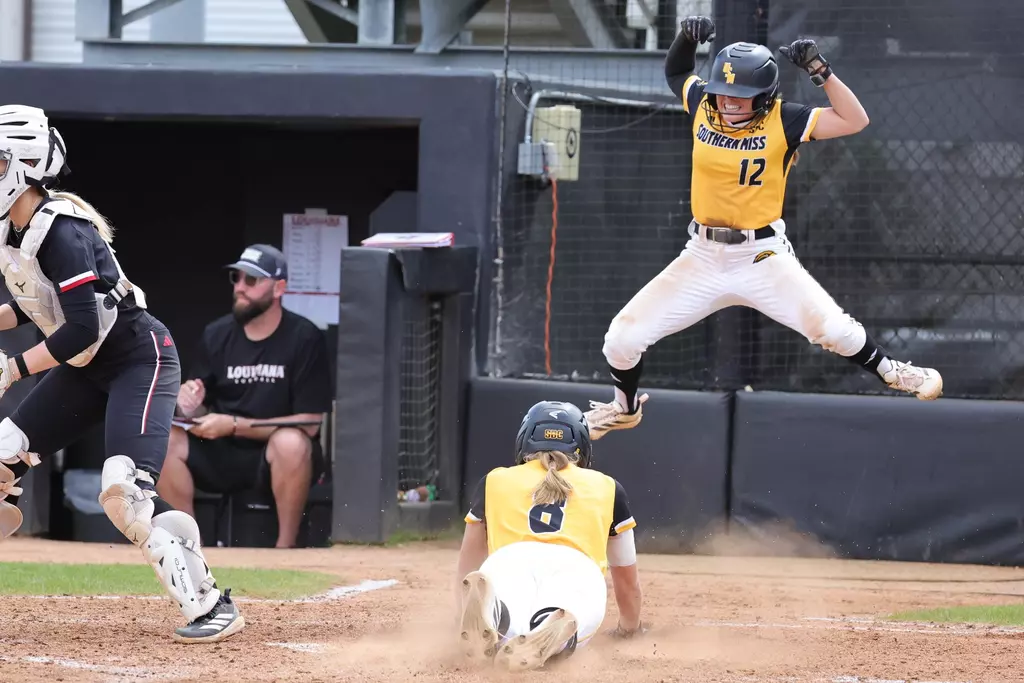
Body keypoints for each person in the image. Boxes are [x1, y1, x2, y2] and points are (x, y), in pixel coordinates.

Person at [584, 17, 944, 440]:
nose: (730, 102)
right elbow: (678, 73)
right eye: (724, 92)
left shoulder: (784, 119)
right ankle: (624, 409)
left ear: (765, 95)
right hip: (701, 256)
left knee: (832, 330)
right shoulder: (704, 104)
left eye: (742, 96)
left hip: (761, 256)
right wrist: (685, 37)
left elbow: (854, 119)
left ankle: (894, 372)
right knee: (621, 340)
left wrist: (821, 72)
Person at [0, 104, 243, 643]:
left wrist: (14, 368)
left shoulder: (61, 231)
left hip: (138, 355)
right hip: (88, 366)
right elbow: (40, 306)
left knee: (122, 490)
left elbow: (83, 326)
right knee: (3, 447)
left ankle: (209, 603)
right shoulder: (13, 235)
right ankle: (7, 496)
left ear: (24, 166)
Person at [156, 244, 332, 549]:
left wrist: (236, 424)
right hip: (221, 449)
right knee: (164, 439)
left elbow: (311, 422)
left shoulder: (304, 337)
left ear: (279, 288)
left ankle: (285, 549)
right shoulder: (217, 333)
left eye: (251, 281)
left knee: (291, 443)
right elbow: (198, 409)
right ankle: (187, 550)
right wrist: (190, 404)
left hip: (272, 454)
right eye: (236, 279)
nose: (240, 288)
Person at [455, 401, 645, 672]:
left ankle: (494, 613)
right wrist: (630, 627)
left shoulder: (494, 480)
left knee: (508, 612)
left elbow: (468, 562)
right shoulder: (608, 487)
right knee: (570, 613)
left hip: (508, 561)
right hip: (578, 570)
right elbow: (628, 583)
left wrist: (459, 612)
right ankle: (550, 630)